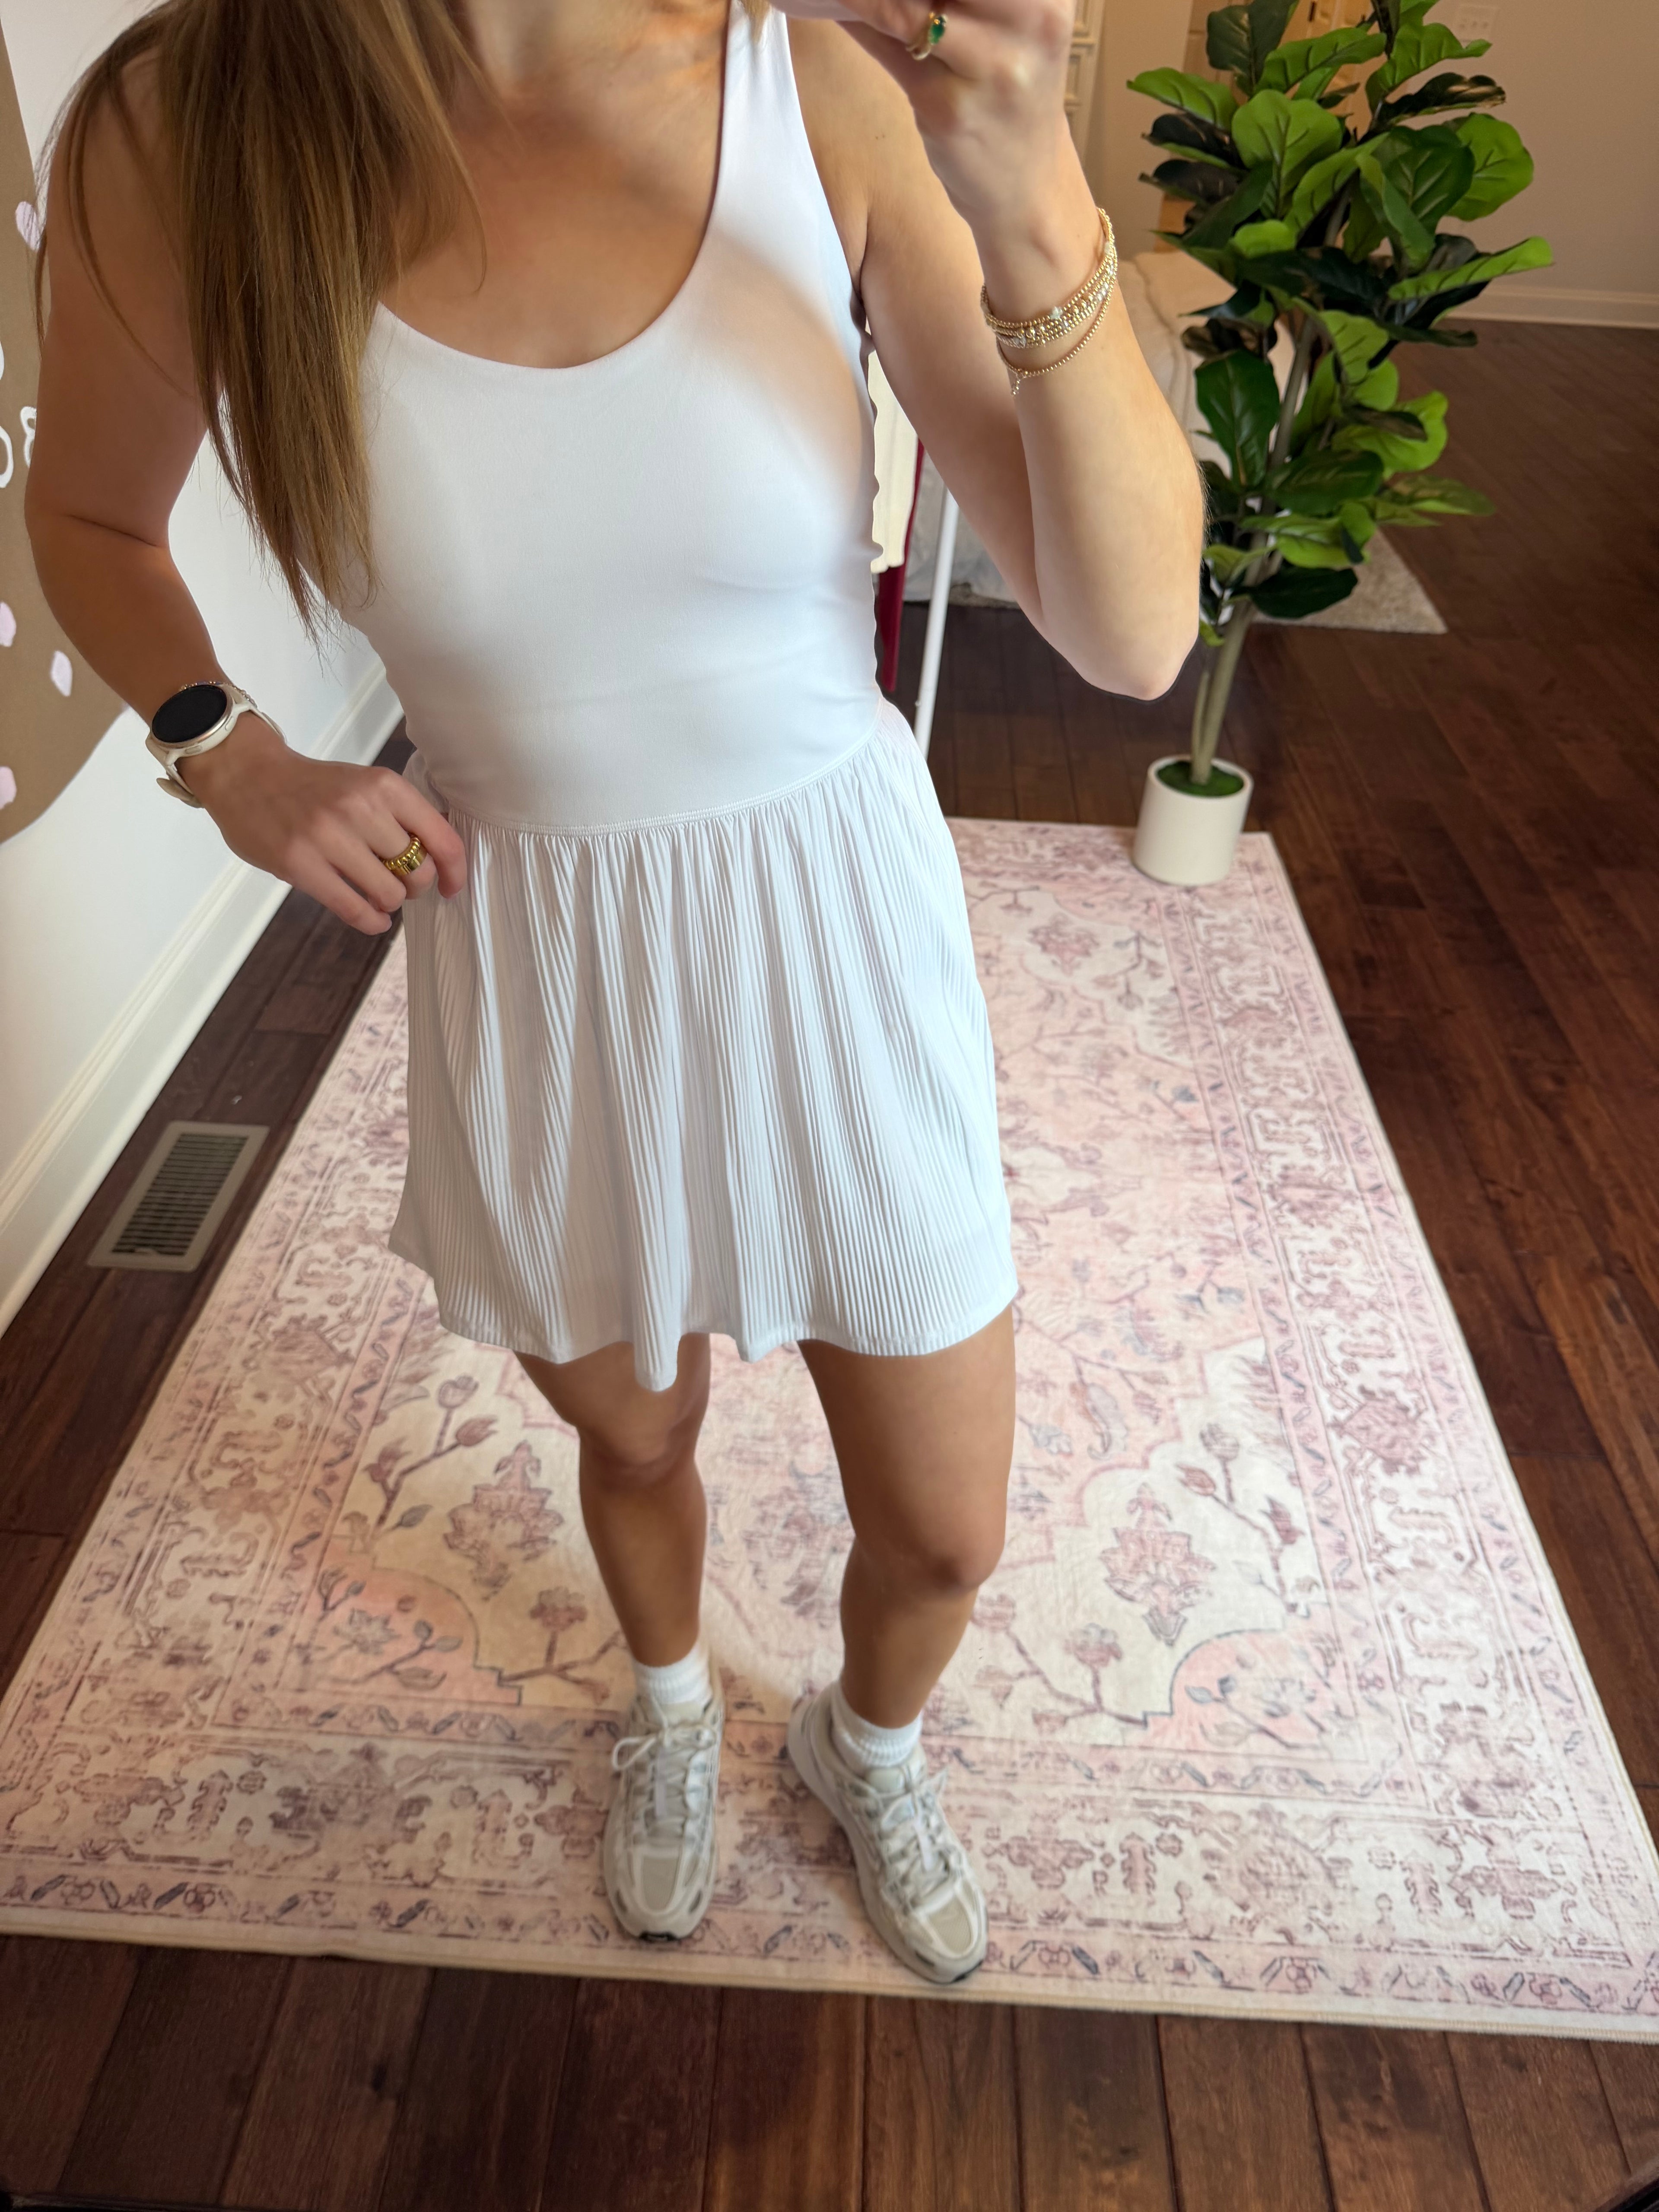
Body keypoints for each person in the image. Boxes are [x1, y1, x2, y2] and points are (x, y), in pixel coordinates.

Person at [27, 0, 1200, 1984]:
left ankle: (864, 1739)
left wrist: (1034, 197)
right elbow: (87, 517)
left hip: (836, 929)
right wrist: (228, 750)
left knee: (944, 1533)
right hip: (542, 956)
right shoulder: (195, 118)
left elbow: (1135, 635)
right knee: (634, 1436)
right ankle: (666, 1702)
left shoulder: (813, 83)